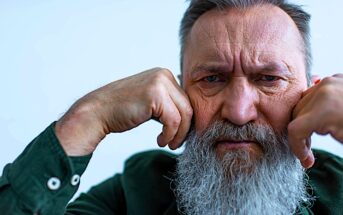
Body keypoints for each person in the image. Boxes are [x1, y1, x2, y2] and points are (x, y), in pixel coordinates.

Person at [1, 0, 343, 214]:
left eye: (269, 78)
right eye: (212, 78)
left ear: (310, 94)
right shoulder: (133, 196)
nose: (239, 112)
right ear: (179, 95)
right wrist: (87, 118)